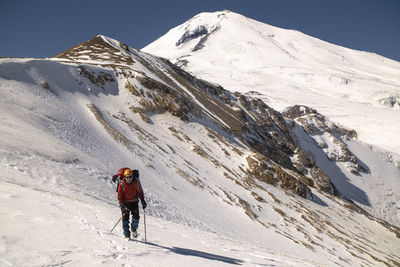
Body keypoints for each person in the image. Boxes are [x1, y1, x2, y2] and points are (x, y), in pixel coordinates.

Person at [117, 168, 147, 239]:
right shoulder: (121, 185)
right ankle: (127, 235)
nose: (129, 179)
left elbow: (140, 193)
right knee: (125, 220)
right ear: (124, 177)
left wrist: (143, 201)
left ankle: (133, 229)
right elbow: (119, 197)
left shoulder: (135, 183)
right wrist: (122, 206)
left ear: (132, 176)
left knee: (136, 218)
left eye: (130, 177)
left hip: (134, 202)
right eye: (127, 177)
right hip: (125, 203)